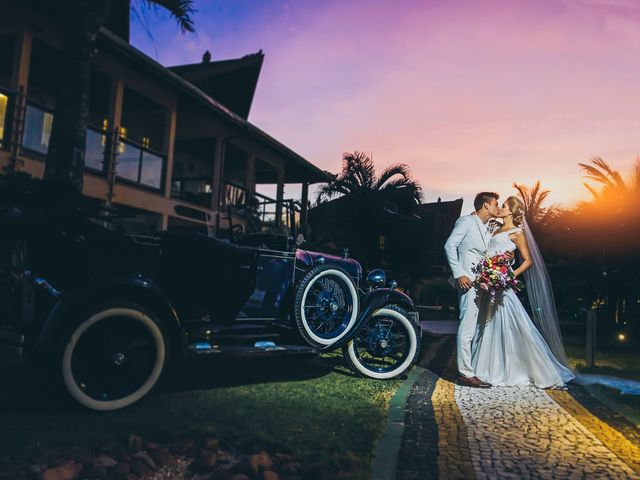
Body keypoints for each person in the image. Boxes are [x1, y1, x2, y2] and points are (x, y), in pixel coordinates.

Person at [471, 196, 574, 388]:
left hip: (503, 285)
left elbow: (528, 260)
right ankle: (486, 368)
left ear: (511, 210)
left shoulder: (517, 233)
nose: (500, 208)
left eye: (504, 206)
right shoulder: (494, 229)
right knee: (487, 324)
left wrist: (510, 275)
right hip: (489, 285)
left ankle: (527, 368)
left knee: (514, 325)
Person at [444, 192, 502, 388]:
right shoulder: (466, 221)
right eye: (496, 204)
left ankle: (469, 367)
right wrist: (459, 273)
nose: (498, 208)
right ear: (485, 205)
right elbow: (449, 245)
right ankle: (465, 374)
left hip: (481, 284)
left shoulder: (487, 228)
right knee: (467, 326)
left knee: (476, 327)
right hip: (467, 282)